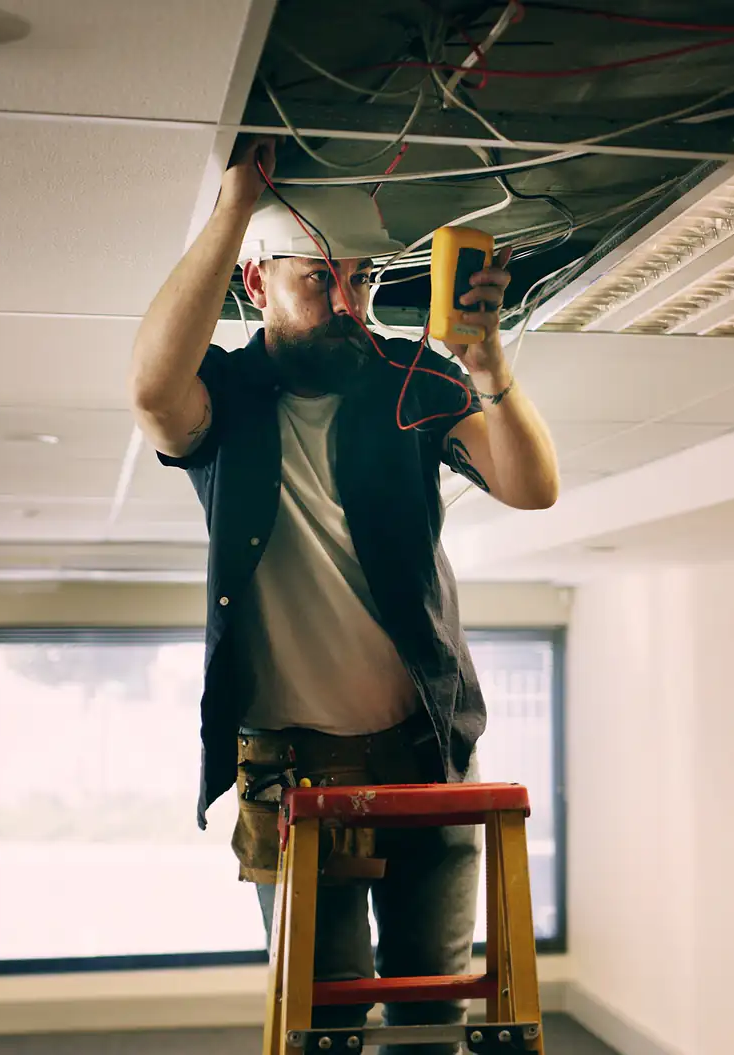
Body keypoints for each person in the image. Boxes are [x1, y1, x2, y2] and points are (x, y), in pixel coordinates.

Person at [129, 136, 561, 1053]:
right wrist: (237, 202)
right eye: (319, 278)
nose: (347, 300)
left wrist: (487, 366)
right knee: (327, 1023)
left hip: (425, 751)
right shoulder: (230, 398)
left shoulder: (411, 376)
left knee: (431, 1012)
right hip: (290, 768)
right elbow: (151, 387)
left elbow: (532, 486)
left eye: (361, 280)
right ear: (257, 284)